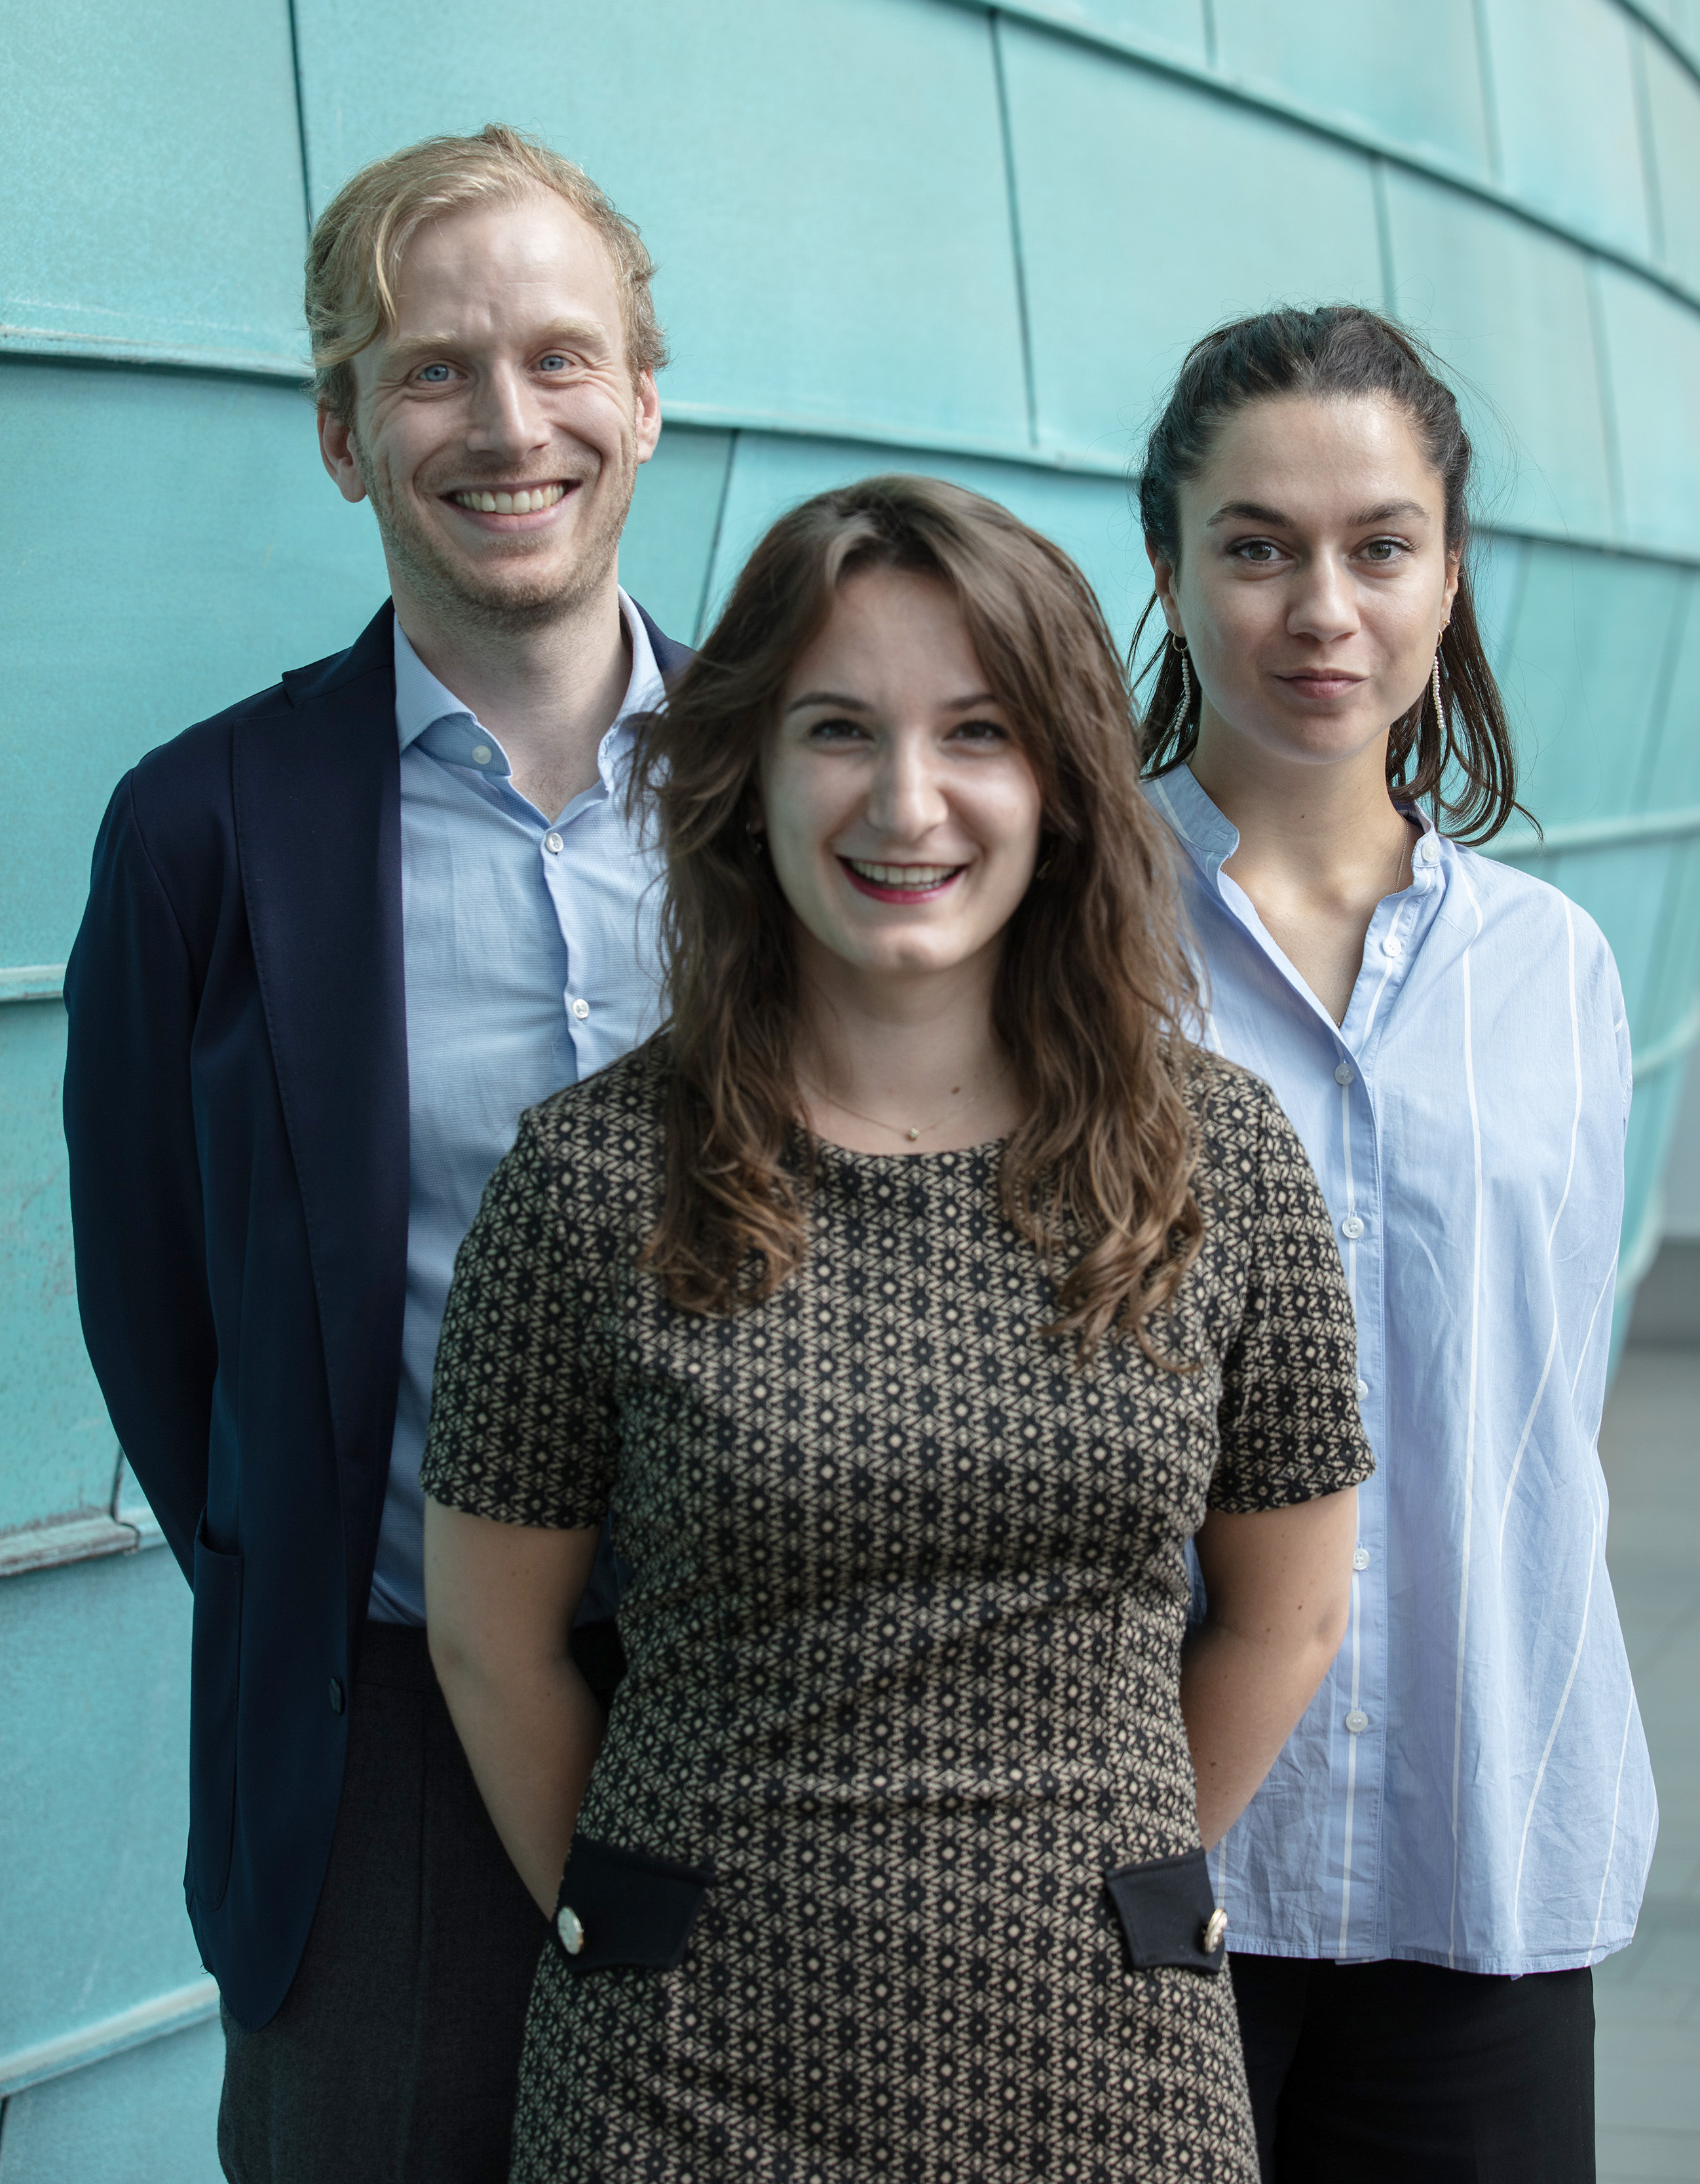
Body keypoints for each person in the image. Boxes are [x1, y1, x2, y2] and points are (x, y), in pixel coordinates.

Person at [418, 473, 1372, 2181]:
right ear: (752, 775)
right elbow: (494, 1644)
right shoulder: (585, 1182)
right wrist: (650, 1925)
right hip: (682, 2085)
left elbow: (1286, 1619)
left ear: (1063, 781)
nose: (908, 802)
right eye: (839, 730)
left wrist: (1107, 1882)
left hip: (1108, 2065)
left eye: (979, 732)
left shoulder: (1218, 1163)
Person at [62, 125, 689, 2183]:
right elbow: (161, 1322)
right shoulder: (203, 836)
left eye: (558, 358)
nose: (507, 422)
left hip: (770, 1709)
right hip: (382, 1748)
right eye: (430, 369)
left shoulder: (810, 795)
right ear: (342, 435)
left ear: (645, 400)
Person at [1133, 306, 1656, 2182]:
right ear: (1169, 569)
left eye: (1378, 546)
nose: (1319, 607)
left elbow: (1538, 1406)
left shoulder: (1553, 973)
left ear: (1448, 577)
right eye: (1255, 545)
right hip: (1152, 1866)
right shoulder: (1059, 951)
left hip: (1483, 1842)